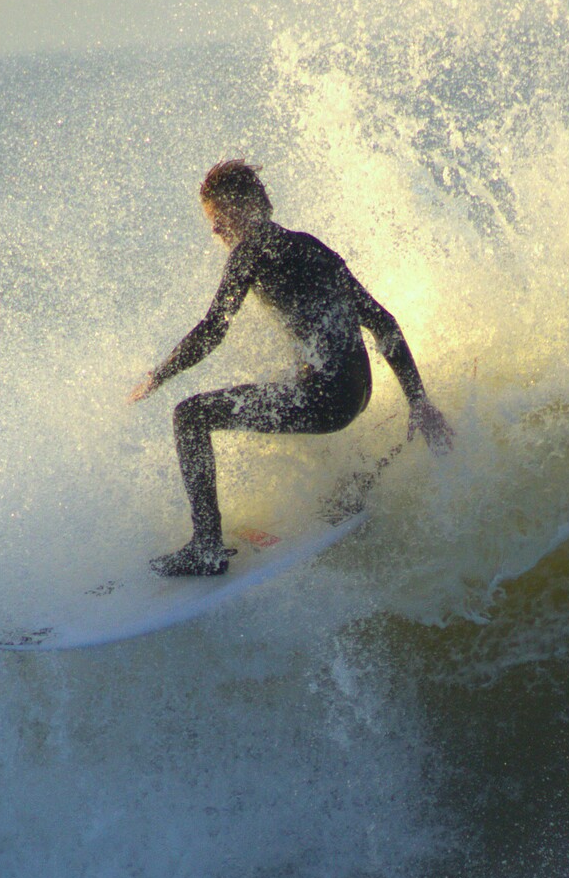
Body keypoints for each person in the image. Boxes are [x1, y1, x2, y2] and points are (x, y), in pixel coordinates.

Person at [129, 160, 454, 576]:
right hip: (356, 394)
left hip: (325, 402)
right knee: (280, 384)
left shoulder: (250, 251)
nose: (214, 230)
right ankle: (351, 486)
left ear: (247, 207)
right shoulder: (311, 246)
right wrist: (418, 400)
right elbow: (383, 322)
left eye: (219, 217)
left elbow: (212, 330)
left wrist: (159, 375)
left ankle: (206, 547)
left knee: (189, 416)